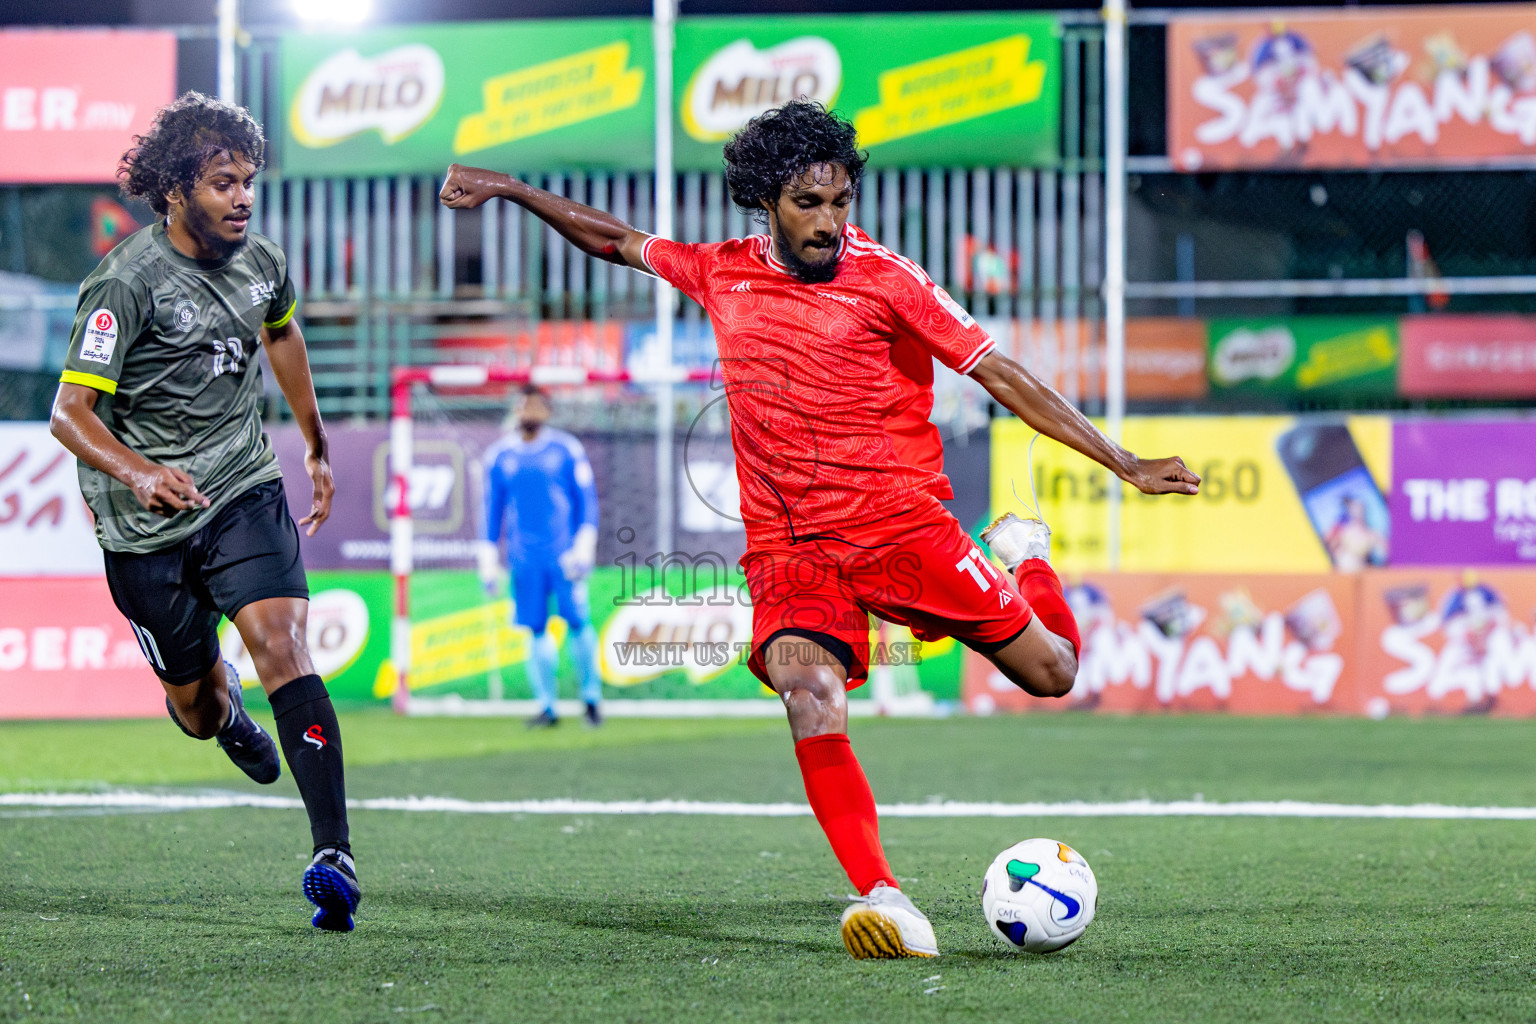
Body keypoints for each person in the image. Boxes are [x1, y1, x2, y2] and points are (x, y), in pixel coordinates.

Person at [439, 99, 1199, 959]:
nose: (832, 223)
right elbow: (613, 238)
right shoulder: (720, 270)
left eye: (841, 202)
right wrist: (508, 189)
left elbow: (1002, 374)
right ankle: (884, 895)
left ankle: (1024, 559)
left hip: (903, 526)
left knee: (1053, 674)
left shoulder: (889, 279)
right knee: (808, 690)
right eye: (810, 203)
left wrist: (1123, 460)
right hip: (793, 550)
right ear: (767, 200)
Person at [49, 92, 360, 931]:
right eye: (223, 182)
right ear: (177, 189)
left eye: (248, 180)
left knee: (281, 642)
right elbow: (69, 415)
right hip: (143, 524)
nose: (242, 197)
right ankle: (221, 711)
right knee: (191, 707)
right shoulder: (125, 281)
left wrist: (316, 442)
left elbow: (282, 333)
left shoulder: (262, 262)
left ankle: (334, 853)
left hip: (241, 488)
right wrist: (142, 472)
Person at [478, 384, 603, 727]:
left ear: (546, 412)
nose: (528, 412)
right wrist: (488, 561)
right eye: (522, 406)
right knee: (535, 629)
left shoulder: (567, 449)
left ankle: (591, 700)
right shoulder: (499, 457)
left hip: (564, 557)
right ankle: (547, 706)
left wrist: (583, 546)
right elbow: (491, 512)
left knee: (578, 623)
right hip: (524, 559)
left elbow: (586, 501)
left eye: (535, 406)